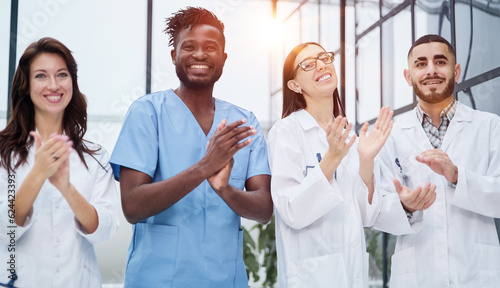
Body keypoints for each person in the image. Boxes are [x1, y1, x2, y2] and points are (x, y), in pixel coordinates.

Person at [109, 7, 273, 287]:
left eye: (210, 47)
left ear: (223, 58)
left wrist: (225, 189)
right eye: (189, 47)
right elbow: (133, 207)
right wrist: (204, 167)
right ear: (174, 56)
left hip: (225, 278)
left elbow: (264, 209)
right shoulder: (148, 113)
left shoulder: (244, 123)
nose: (199, 55)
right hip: (157, 279)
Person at [373, 34, 500, 287]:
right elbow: (375, 211)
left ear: (456, 71)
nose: (431, 70)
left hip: (475, 274)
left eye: (440, 62)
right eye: (421, 64)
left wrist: (456, 176)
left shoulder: (490, 127)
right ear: (408, 77)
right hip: (417, 275)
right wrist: (406, 206)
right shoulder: (390, 135)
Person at [267, 41, 393, 288]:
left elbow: (366, 216)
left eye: (324, 58)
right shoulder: (286, 131)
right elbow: (291, 209)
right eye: (308, 64)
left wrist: (366, 163)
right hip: (311, 277)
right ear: (294, 85)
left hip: (352, 274)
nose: (321, 65)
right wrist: (332, 158)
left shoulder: (348, 135)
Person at [0, 37, 120, 288]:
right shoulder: (4, 153)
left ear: (73, 83)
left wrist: (66, 188)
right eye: (41, 76)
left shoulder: (95, 156)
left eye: (62, 75)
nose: (53, 85)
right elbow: (3, 230)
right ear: (26, 85)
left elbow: (106, 228)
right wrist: (38, 174)